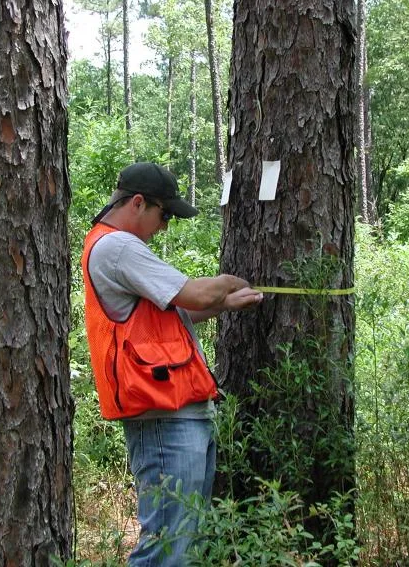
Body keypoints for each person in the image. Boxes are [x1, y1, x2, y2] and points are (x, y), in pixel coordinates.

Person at [81, 162, 263, 566]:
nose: (164, 227)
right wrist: (227, 283)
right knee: (166, 546)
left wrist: (223, 303)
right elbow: (193, 294)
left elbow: (172, 314)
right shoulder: (117, 247)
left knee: (184, 541)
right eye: (164, 215)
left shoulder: (117, 247)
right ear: (138, 203)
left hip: (180, 410)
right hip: (163, 416)